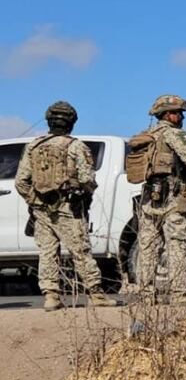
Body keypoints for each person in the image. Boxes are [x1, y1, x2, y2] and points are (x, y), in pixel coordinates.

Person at [15, 102, 117, 311]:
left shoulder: (34, 146)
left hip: (41, 209)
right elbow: (87, 179)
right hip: (69, 208)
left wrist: (35, 201)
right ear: (71, 122)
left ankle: (51, 296)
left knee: (47, 252)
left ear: (49, 121)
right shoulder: (76, 146)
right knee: (80, 250)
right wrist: (82, 193)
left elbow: (21, 182)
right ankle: (96, 294)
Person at [136, 95, 186, 304]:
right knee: (177, 242)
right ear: (168, 115)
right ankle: (179, 293)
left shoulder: (147, 136)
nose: (182, 116)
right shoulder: (175, 135)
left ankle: (146, 294)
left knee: (148, 245)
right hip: (174, 197)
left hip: (150, 197)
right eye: (178, 112)